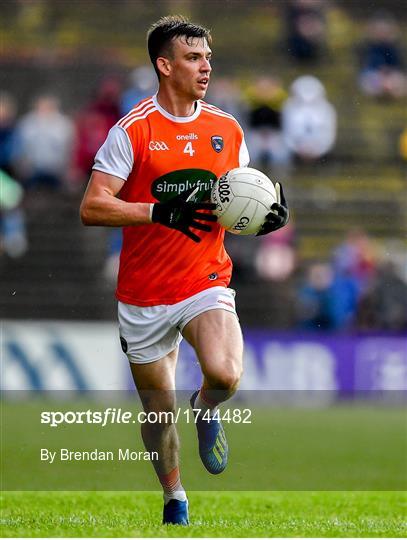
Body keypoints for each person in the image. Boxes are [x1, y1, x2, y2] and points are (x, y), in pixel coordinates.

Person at [80, 15, 289, 526]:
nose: (205, 67)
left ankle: (207, 406)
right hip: (144, 293)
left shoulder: (226, 127)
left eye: (208, 58)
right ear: (164, 65)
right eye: (194, 58)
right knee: (157, 416)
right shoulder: (133, 131)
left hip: (204, 279)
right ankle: (175, 496)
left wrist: (267, 218)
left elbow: (234, 203)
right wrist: (158, 209)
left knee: (225, 373)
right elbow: (93, 206)